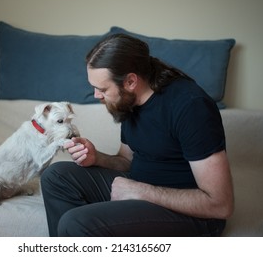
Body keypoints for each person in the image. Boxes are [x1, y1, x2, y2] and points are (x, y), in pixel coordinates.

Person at [41, 33, 234, 237]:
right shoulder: (128, 101)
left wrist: (141, 192)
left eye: (102, 89)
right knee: (55, 176)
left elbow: (221, 205)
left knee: (75, 223)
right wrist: (97, 157)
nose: (96, 95)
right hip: (140, 188)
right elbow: (127, 161)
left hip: (191, 214)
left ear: (131, 81)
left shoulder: (190, 106)